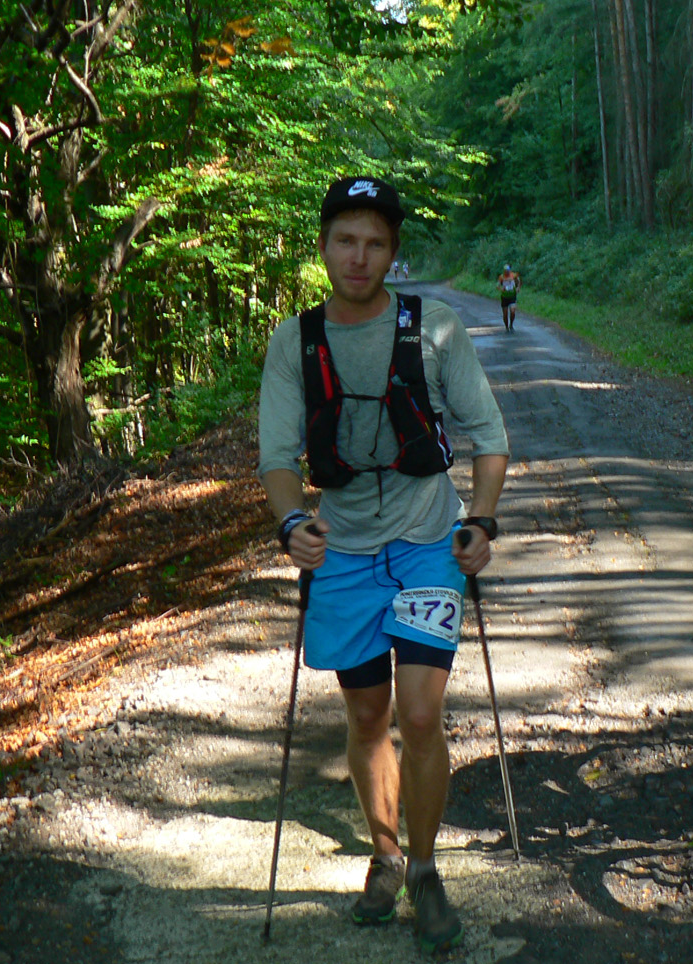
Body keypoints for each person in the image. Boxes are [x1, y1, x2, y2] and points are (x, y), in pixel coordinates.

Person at [257, 175, 509, 953]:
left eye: (374, 243)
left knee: (421, 714)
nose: (358, 257)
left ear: (393, 252)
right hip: (343, 553)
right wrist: (292, 522)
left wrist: (481, 519)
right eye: (345, 240)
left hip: (428, 543)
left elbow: (490, 435)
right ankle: (386, 854)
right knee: (368, 716)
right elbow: (276, 459)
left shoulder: (435, 330)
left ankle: (425, 870)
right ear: (324, 247)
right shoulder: (295, 342)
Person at [496, 263, 521, 331]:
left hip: (512, 296)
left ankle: (511, 325)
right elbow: (497, 286)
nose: (507, 272)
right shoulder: (501, 277)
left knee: (512, 311)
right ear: (504, 271)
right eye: (505, 271)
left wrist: (518, 288)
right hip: (504, 297)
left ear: (509, 270)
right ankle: (506, 327)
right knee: (505, 314)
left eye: (508, 271)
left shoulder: (514, 275)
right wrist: (501, 289)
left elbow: (519, 282)